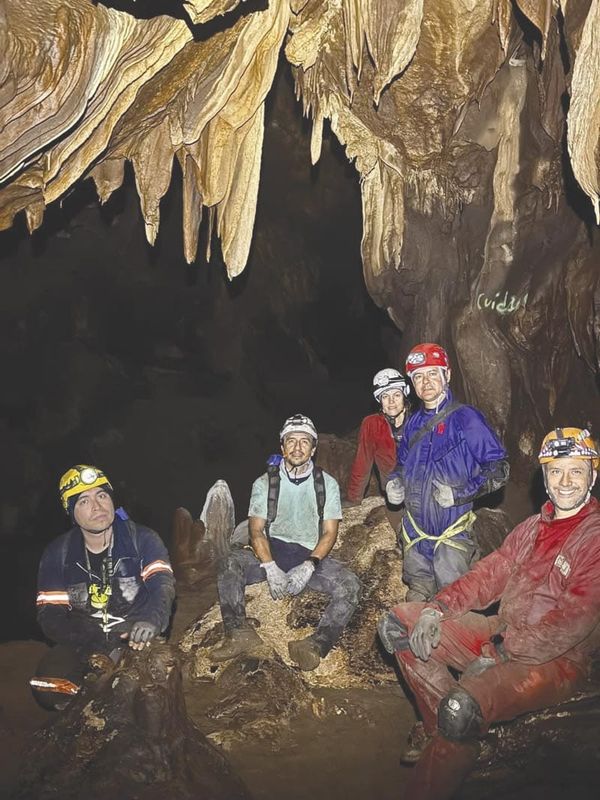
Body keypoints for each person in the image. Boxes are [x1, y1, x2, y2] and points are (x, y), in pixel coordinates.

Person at [377, 427, 600, 800]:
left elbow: (572, 621)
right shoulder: (531, 529)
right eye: (556, 470)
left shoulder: (594, 537)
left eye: (576, 471)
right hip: (501, 632)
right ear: (544, 477)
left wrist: (500, 653)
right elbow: (487, 574)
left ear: (593, 476)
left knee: (461, 707)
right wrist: (437, 608)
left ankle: (454, 730)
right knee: (399, 623)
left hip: (555, 662)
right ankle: (443, 730)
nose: (565, 482)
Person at [211, 414, 361, 671]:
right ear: (282, 447)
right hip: (273, 550)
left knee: (351, 585)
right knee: (229, 562)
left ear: (314, 449)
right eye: (291, 441)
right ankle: (238, 633)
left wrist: (309, 566)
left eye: (305, 442)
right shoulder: (264, 484)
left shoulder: (327, 485)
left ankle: (316, 644)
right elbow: (256, 530)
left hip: (308, 553)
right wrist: (270, 567)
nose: (298, 447)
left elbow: (329, 533)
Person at [32, 464, 175, 709]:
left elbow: (163, 586)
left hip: (134, 638)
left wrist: (152, 620)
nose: (97, 506)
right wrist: (91, 639)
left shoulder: (142, 539)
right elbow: (50, 615)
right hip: (84, 641)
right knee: (46, 686)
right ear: (72, 513)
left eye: (101, 495)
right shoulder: (58, 553)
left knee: (145, 688)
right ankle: (87, 709)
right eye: (84, 501)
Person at [386, 343, 508, 600]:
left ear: (447, 375)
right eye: (418, 376)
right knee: (416, 598)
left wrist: (459, 494)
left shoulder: (466, 419)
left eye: (432, 373)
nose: (425, 382)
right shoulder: (413, 424)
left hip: (452, 538)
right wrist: (394, 483)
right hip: (416, 538)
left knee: (451, 604)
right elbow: (401, 464)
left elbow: (499, 469)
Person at [345, 368, 410, 508]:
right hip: (393, 494)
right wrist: (353, 499)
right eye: (385, 396)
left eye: (397, 395)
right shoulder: (372, 425)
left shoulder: (419, 422)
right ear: (380, 401)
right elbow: (362, 462)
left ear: (404, 396)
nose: (391, 401)